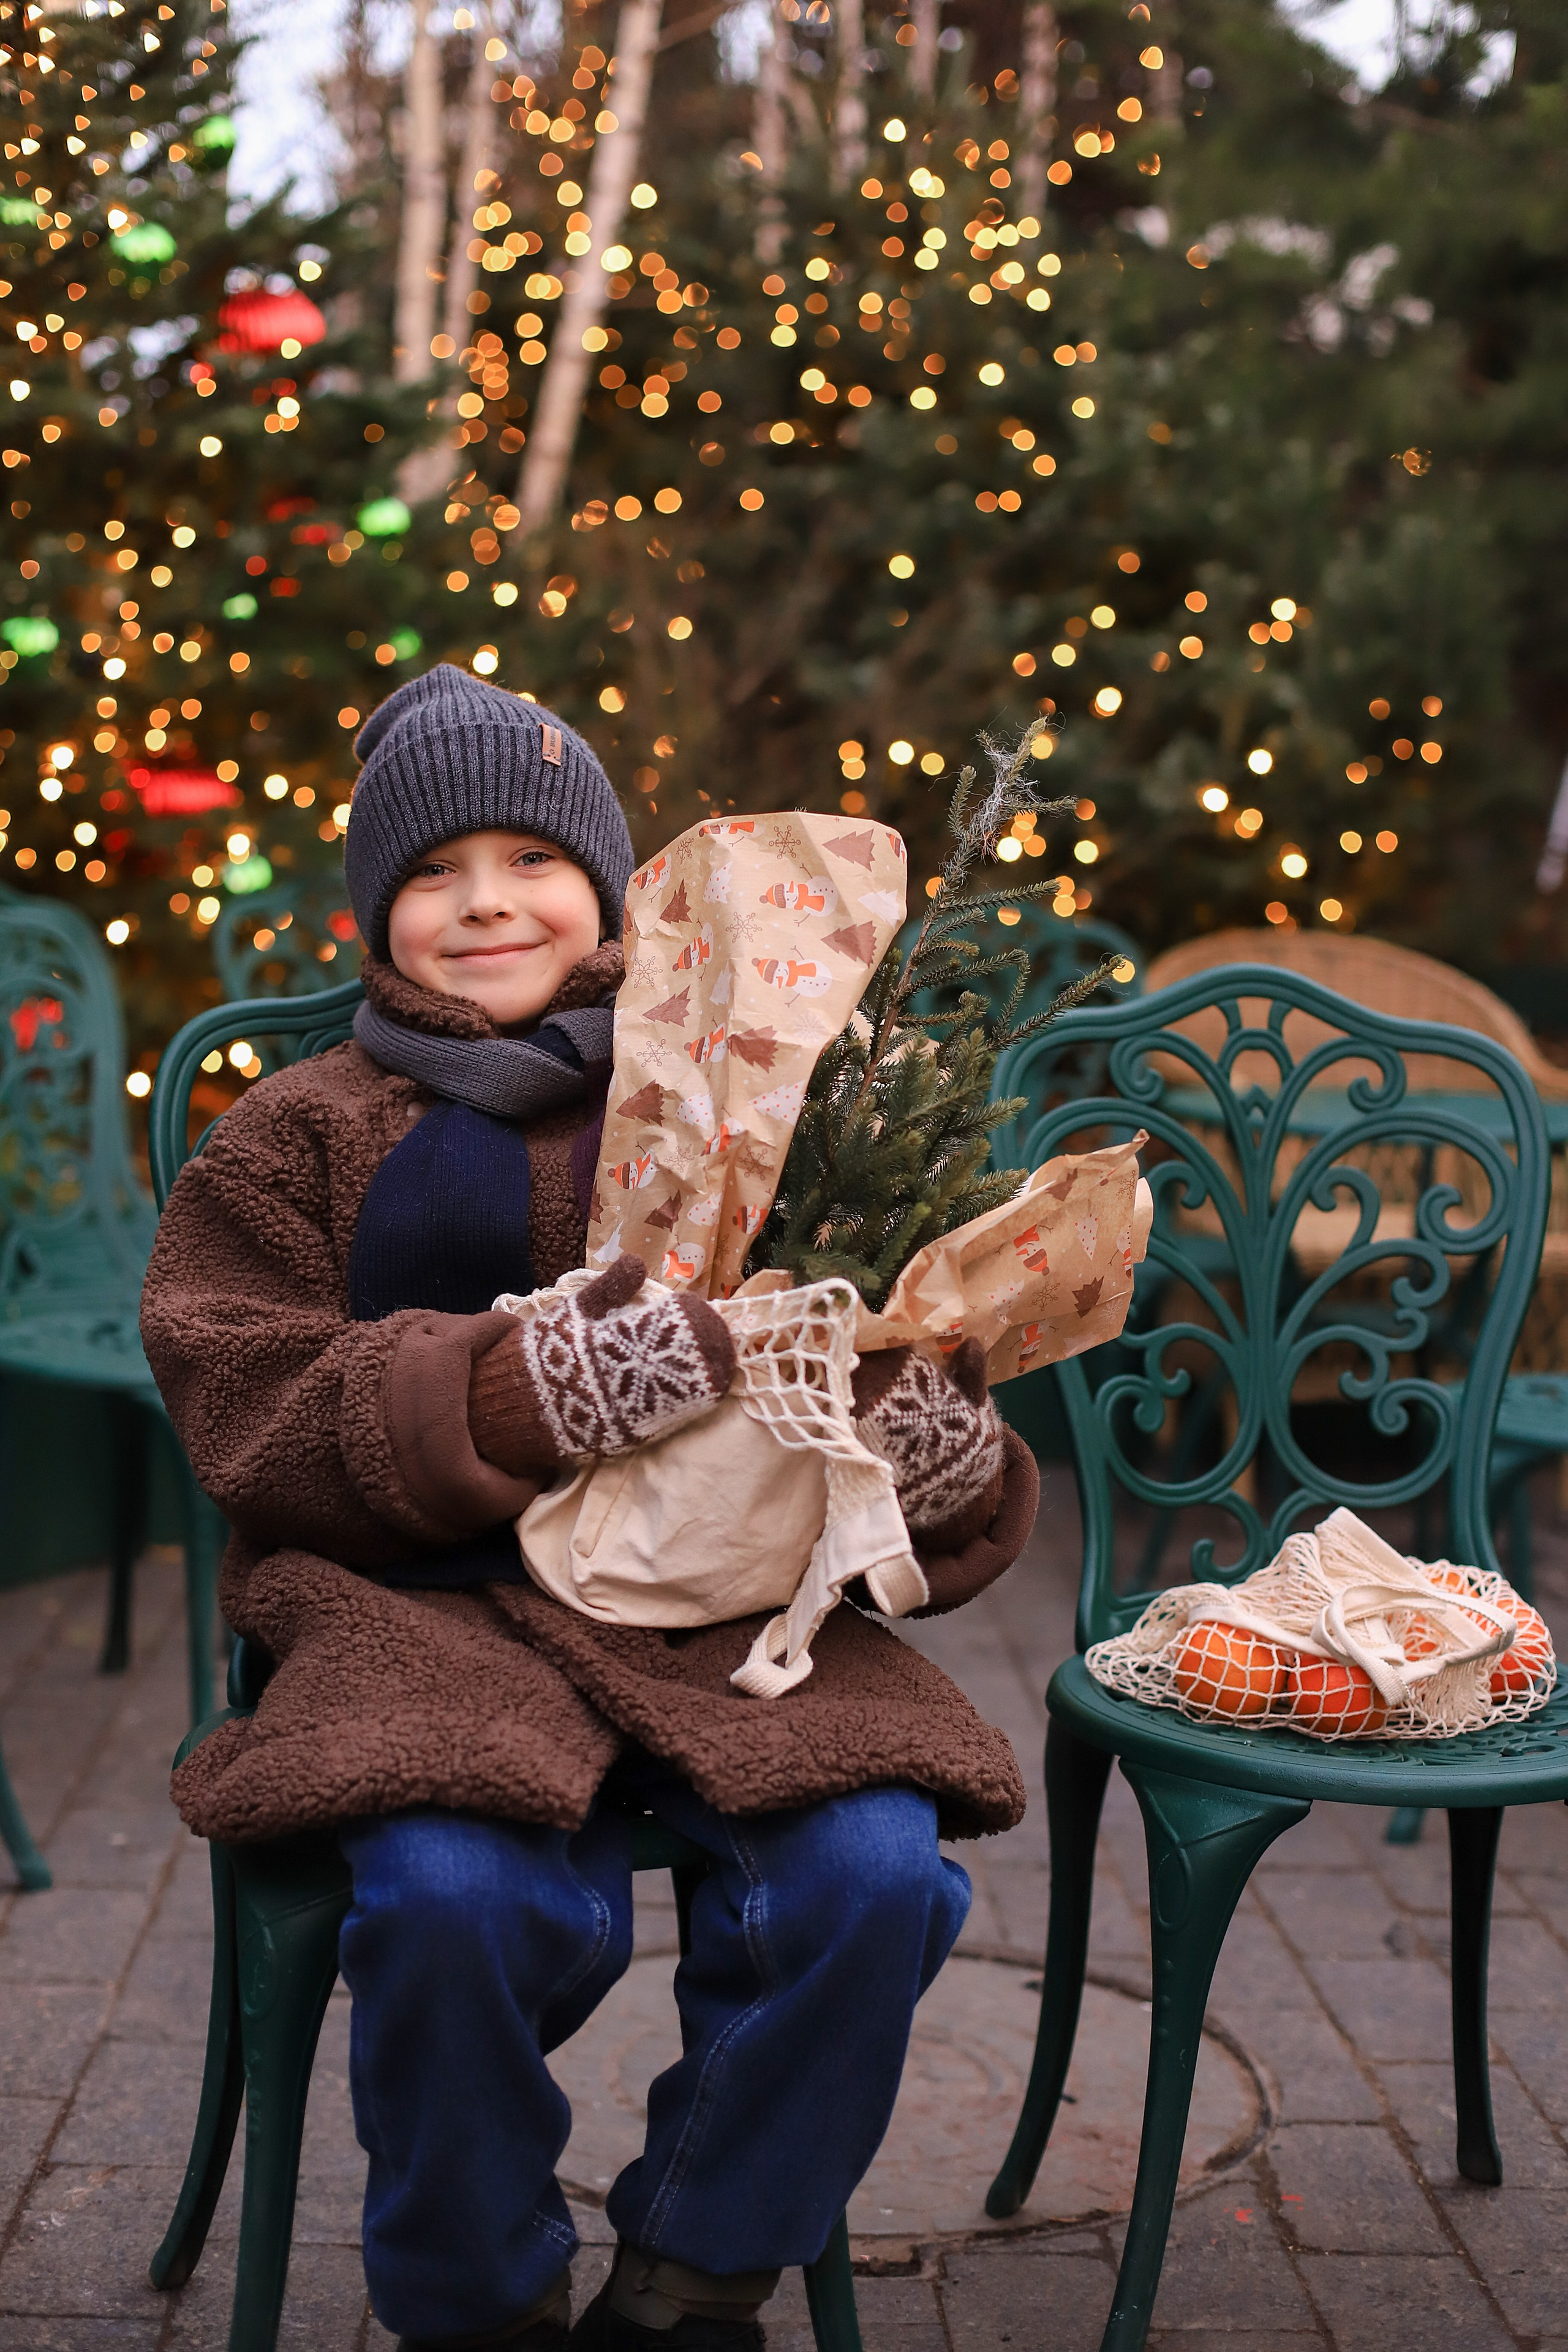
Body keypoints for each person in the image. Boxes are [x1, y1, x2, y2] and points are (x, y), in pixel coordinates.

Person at [142, 665, 1038, 2352]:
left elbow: (898, 1358)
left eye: (530, 857)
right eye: (431, 871)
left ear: (612, 884)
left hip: (722, 1616)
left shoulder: (751, 1090)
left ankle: (695, 2271)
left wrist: (927, 1447)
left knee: (874, 1875)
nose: (487, 901)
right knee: (454, 1901)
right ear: (373, 910)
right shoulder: (299, 1133)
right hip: (424, 1612)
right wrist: (516, 1389)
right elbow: (242, 1397)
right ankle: (475, 2300)